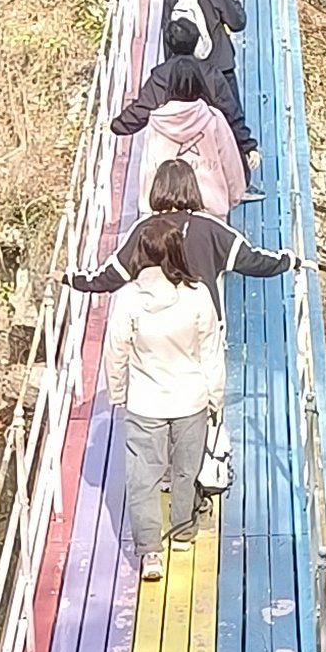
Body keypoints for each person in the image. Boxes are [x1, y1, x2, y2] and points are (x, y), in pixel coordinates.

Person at [101, 212, 228, 576]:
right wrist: (215, 397)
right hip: (191, 398)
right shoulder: (198, 294)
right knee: (186, 470)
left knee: (143, 475)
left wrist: (118, 392)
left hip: (145, 401)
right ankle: (184, 531)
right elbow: (211, 352)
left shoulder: (127, 298)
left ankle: (149, 552)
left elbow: (116, 351)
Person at [72, 155, 294, 302]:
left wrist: (72, 280)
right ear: (192, 187)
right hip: (201, 324)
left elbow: (111, 276)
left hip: (156, 327)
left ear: (157, 187)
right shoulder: (210, 227)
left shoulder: (144, 229)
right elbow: (252, 261)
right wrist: (290, 261)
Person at [111, 46, 247, 215]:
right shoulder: (214, 117)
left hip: (167, 207)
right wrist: (234, 196)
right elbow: (229, 161)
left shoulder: (156, 120)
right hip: (210, 206)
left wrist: (147, 205)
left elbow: (149, 165)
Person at [163, 0, 254, 161]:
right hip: (219, 69)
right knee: (231, 120)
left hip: (186, 71)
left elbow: (168, 34)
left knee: (193, 127)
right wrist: (234, 1)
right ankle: (240, 176)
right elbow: (238, 22)